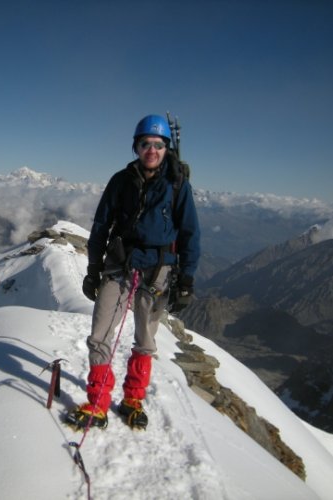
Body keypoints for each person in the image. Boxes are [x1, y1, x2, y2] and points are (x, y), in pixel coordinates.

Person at [66, 114, 200, 430]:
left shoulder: (178, 184)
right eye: (145, 144)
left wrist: (187, 278)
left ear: (166, 148)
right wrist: (93, 268)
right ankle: (98, 402)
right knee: (100, 334)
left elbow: (190, 233)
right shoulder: (120, 181)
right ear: (136, 147)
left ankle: (133, 399)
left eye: (158, 144)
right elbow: (101, 226)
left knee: (146, 339)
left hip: (158, 271)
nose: (151, 150)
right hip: (120, 264)